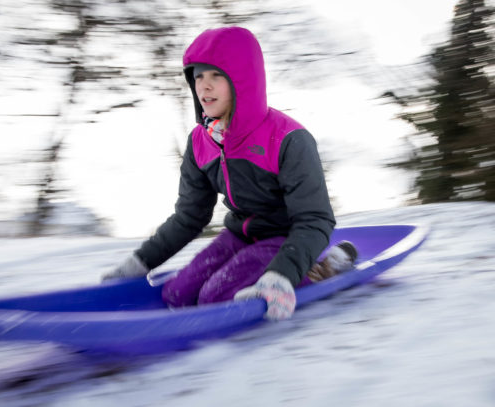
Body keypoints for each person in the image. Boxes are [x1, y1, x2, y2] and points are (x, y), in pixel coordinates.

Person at [102, 26, 356, 320]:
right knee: (176, 294)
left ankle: (324, 267)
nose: (204, 87)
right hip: (241, 235)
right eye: (198, 77)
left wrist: (280, 275)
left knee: (217, 296)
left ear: (242, 80)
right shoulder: (200, 141)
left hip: (288, 237)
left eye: (216, 76)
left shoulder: (288, 138)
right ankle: (260, 267)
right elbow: (189, 216)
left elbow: (315, 219)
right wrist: (141, 262)